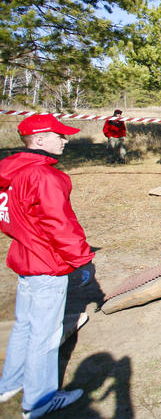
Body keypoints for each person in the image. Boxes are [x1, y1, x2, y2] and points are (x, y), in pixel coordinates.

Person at [0, 114, 94, 418]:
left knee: (24, 326)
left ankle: (10, 384)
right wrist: (81, 261)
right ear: (39, 139)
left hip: (25, 256)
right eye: (59, 136)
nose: (65, 141)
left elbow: (8, 217)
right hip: (47, 263)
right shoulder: (44, 176)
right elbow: (60, 225)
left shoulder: (11, 172)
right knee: (46, 335)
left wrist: (27, 237)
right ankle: (39, 400)